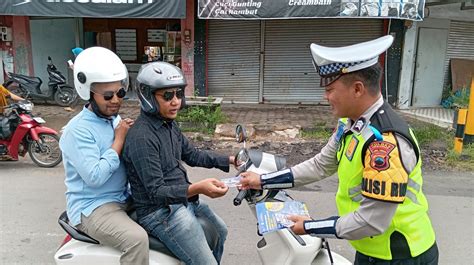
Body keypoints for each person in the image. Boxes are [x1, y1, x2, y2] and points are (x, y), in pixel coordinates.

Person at [240, 35, 438, 265]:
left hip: (401, 254)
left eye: (331, 89)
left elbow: (372, 221)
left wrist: (309, 227)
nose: (326, 97)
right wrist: (263, 180)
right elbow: (321, 164)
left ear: (357, 89)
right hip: (372, 248)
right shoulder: (351, 124)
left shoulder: (384, 143)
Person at [122, 61, 233, 265]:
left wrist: (231, 160)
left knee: (220, 231)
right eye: (167, 96)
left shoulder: (168, 125)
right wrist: (197, 187)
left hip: (182, 202)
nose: (175, 102)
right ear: (148, 97)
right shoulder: (142, 138)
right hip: (160, 213)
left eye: (178, 94)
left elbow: (193, 155)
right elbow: (156, 191)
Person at [59, 46, 149, 265]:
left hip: (123, 197)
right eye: (108, 95)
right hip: (94, 207)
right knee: (137, 240)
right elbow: (95, 177)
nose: (116, 100)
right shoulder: (77, 130)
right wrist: (118, 140)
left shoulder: (113, 120)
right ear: (89, 94)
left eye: (120, 93)